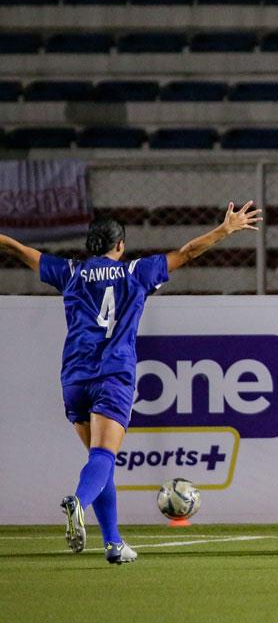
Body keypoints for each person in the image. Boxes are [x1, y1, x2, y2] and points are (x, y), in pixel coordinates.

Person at [0, 202, 262, 564]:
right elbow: (186, 253)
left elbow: (18, 250)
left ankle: (113, 544)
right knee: (104, 456)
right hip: (113, 376)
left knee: (100, 459)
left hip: (74, 377)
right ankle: (79, 501)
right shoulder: (135, 273)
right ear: (119, 246)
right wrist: (225, 229)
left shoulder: (70, 272)